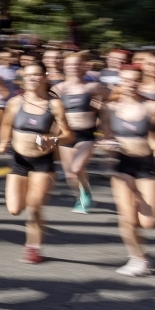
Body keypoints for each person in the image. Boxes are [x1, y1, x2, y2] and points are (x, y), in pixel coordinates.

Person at [0, 61, 74, 264]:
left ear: (44, 77)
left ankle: (33, 247)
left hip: (43, 162)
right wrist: (4, 141)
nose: (32, 79)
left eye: (36, 75)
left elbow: (68, 135)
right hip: (19, 160)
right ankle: (33, 242)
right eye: (28, 75)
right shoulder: (15, 102)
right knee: (14, 209)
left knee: (35, 205)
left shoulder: (54, 104)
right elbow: (5, 124)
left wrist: (53, 140)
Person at [99, 65, 155, 277]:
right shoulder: (109, 108)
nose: (131, 84)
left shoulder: (151, 107)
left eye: (135, 80)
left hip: (145, 163)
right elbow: (106, 135)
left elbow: (154, 134)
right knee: (127, 218)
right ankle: (138, 259)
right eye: (126, 80)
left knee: (148, 222)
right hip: (122, 164)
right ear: (120, 81)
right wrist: (108, 147)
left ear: (141, 81)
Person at [52, 53, 107, 213]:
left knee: (77, 169)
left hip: (86, 134)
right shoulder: (58, 89)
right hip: (66, 135)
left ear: (83, 66)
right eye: (69, 64)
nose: (73, 67)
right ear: (64, 67)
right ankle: (82, 196)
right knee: (70, 175)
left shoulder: (92, 87)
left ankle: (85, 194)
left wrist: (103, 128)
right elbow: (55, 116)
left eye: (77, 64)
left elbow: (106, 104)